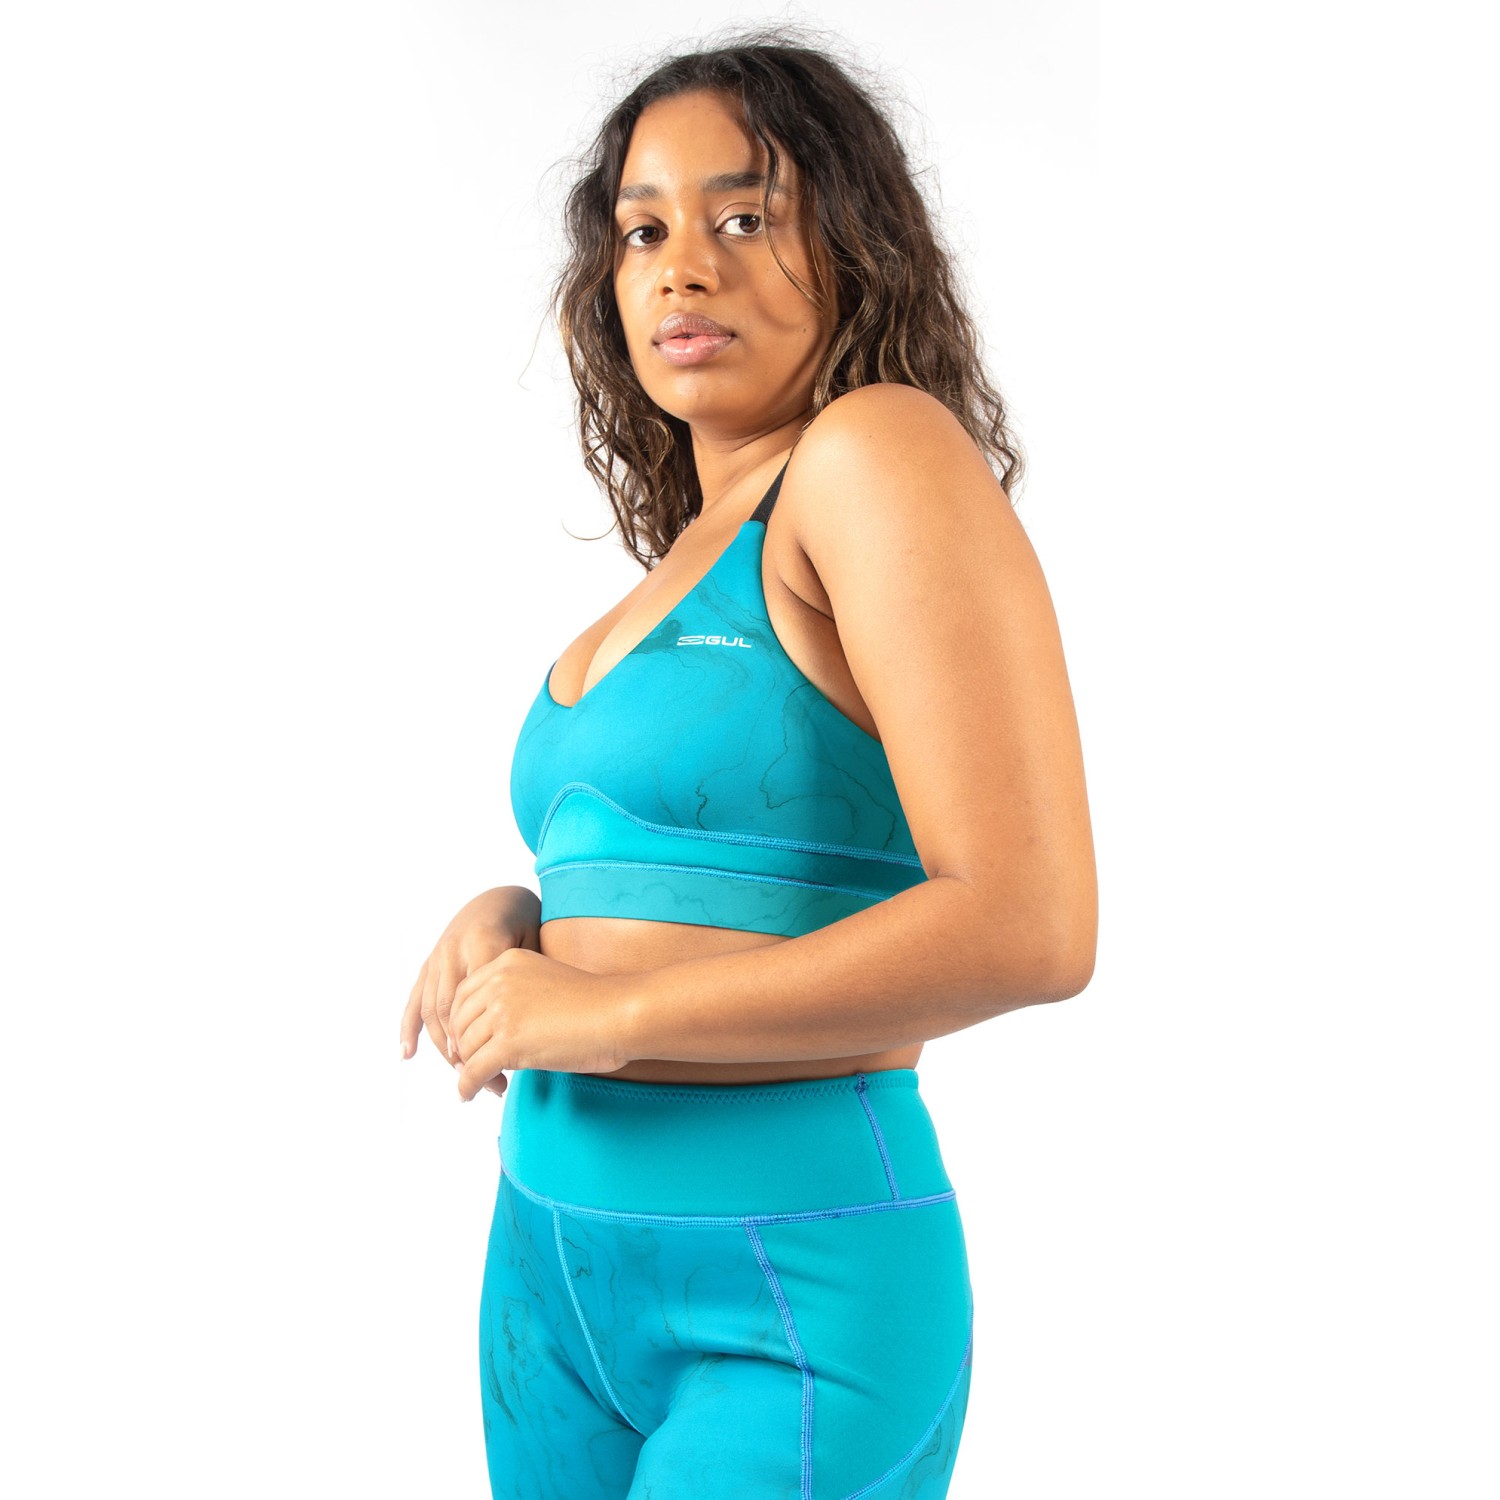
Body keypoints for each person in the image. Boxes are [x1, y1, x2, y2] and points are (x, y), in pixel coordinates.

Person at [399, 32, 1096, 1499]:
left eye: (742, 215)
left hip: (786, 1289)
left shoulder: (873, 453)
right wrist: (519, 926)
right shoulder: (686, 557)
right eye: (643, 231)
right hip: (547, 1271)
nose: (683, 269)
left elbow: (1031, 924)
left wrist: (608, 1013)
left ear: (853, 243)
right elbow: (717, 870)